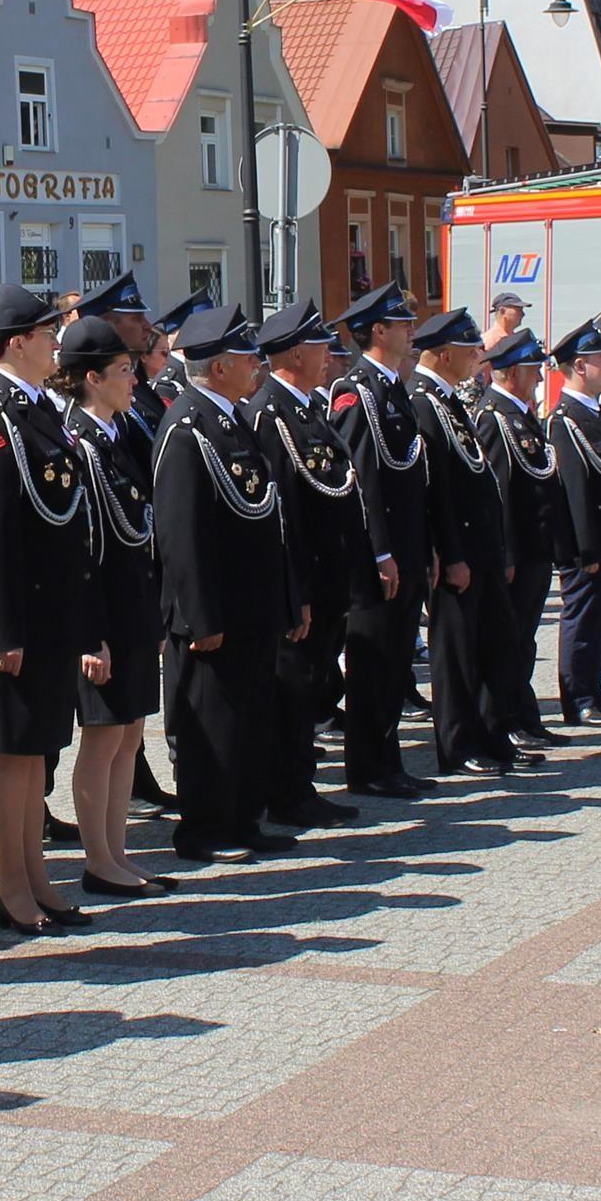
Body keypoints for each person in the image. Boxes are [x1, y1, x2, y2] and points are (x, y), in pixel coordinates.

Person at [0, 286, 106, 933]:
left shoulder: (37, 410)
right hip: (11, 620)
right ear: (17, 340)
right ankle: (11, 887)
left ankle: (36, 876)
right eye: (48, 333)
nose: (57, 344)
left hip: (46, 614)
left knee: (36, 754)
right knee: (9, 755)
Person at [153, 304, 306, 862]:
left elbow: (269, 517)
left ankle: (243, 819)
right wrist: (199, 615)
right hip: (215, 610)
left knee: (248, 718)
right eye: (247, 357)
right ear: (218, 368)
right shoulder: (188, 425)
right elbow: (179, 530)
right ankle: (204, 829)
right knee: (211, 725)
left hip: (252, 605)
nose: (258, 366)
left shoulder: (231, 419)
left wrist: (288, 596)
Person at [251, 298, 371, 830]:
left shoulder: (306, 409)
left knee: (311, 686)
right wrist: (293, 590)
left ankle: (297, 787)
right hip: (304, 581)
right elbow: (282, 516)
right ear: (296, 352)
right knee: (292, 693)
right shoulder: (270, 414)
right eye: (321, 344)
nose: (331, 354)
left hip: (328, 577)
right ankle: (288, 793)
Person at [57, 315, 164, 897]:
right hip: (103, 612)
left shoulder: (121, 434)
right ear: (92, 377)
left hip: (133, 604)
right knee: (102, 737)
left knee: (129, 734)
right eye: (124, 370)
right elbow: (82, 545)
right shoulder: (78, 441)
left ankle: (119, 852)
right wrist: (88, 634)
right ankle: (98, 860)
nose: (134, 378)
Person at [412, 310, 531, 775]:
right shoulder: (422, 401)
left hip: (480, 549)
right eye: (468, 350)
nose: (478, 357)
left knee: (493, 648)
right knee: (457, 656)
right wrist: (452, 554)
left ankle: (491, 736)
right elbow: (435, 487)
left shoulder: (450, 400)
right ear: (444, 355)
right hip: (459, 552)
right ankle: (458, 746)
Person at [330, 283, 434, 794]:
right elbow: (360, 478)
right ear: (377, 331)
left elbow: (411, 475)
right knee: (372, 662)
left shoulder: (394, 388)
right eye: (402, 324)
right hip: (380, 554)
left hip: (407, 547)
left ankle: (388, 761)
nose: (412, 331)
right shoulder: (357, 392)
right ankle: (367, 768)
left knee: (395, 662)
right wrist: (381, 551)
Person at [475, 330, 569, 752]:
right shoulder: (494, 416)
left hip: (536, 547)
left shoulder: (522, 413)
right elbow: (498, 492)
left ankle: (523, 714)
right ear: (510, 372)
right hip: (518, 551)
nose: (539, 377)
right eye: (532, 369)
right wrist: (505, 552)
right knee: (507, 640)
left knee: (523, 639)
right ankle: (505, 718)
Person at [545, 316, 601, 725]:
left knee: (599, 621)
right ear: (579, 367)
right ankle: (577, 697)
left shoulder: (594, 413)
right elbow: (575, 491)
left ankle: (594, 692)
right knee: (582, 621)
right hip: (589, 544)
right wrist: (586, 549)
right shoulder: (565, 419)